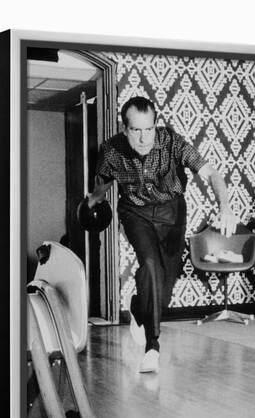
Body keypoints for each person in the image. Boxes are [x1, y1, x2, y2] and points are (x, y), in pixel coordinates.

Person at [88, 96, 238, 373]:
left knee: (165, 287)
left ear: (155, 125)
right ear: (125, 129)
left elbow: (212, 173)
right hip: (136, 213)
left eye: (149, 129)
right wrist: (93, 200)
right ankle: (152, 347)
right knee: (150, 264)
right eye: (136, 130)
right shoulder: (111, 151)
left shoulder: (172, 141)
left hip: (172, 213)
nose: (144, 138)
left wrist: (225, 206)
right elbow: (104, 182)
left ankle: (137, 307)